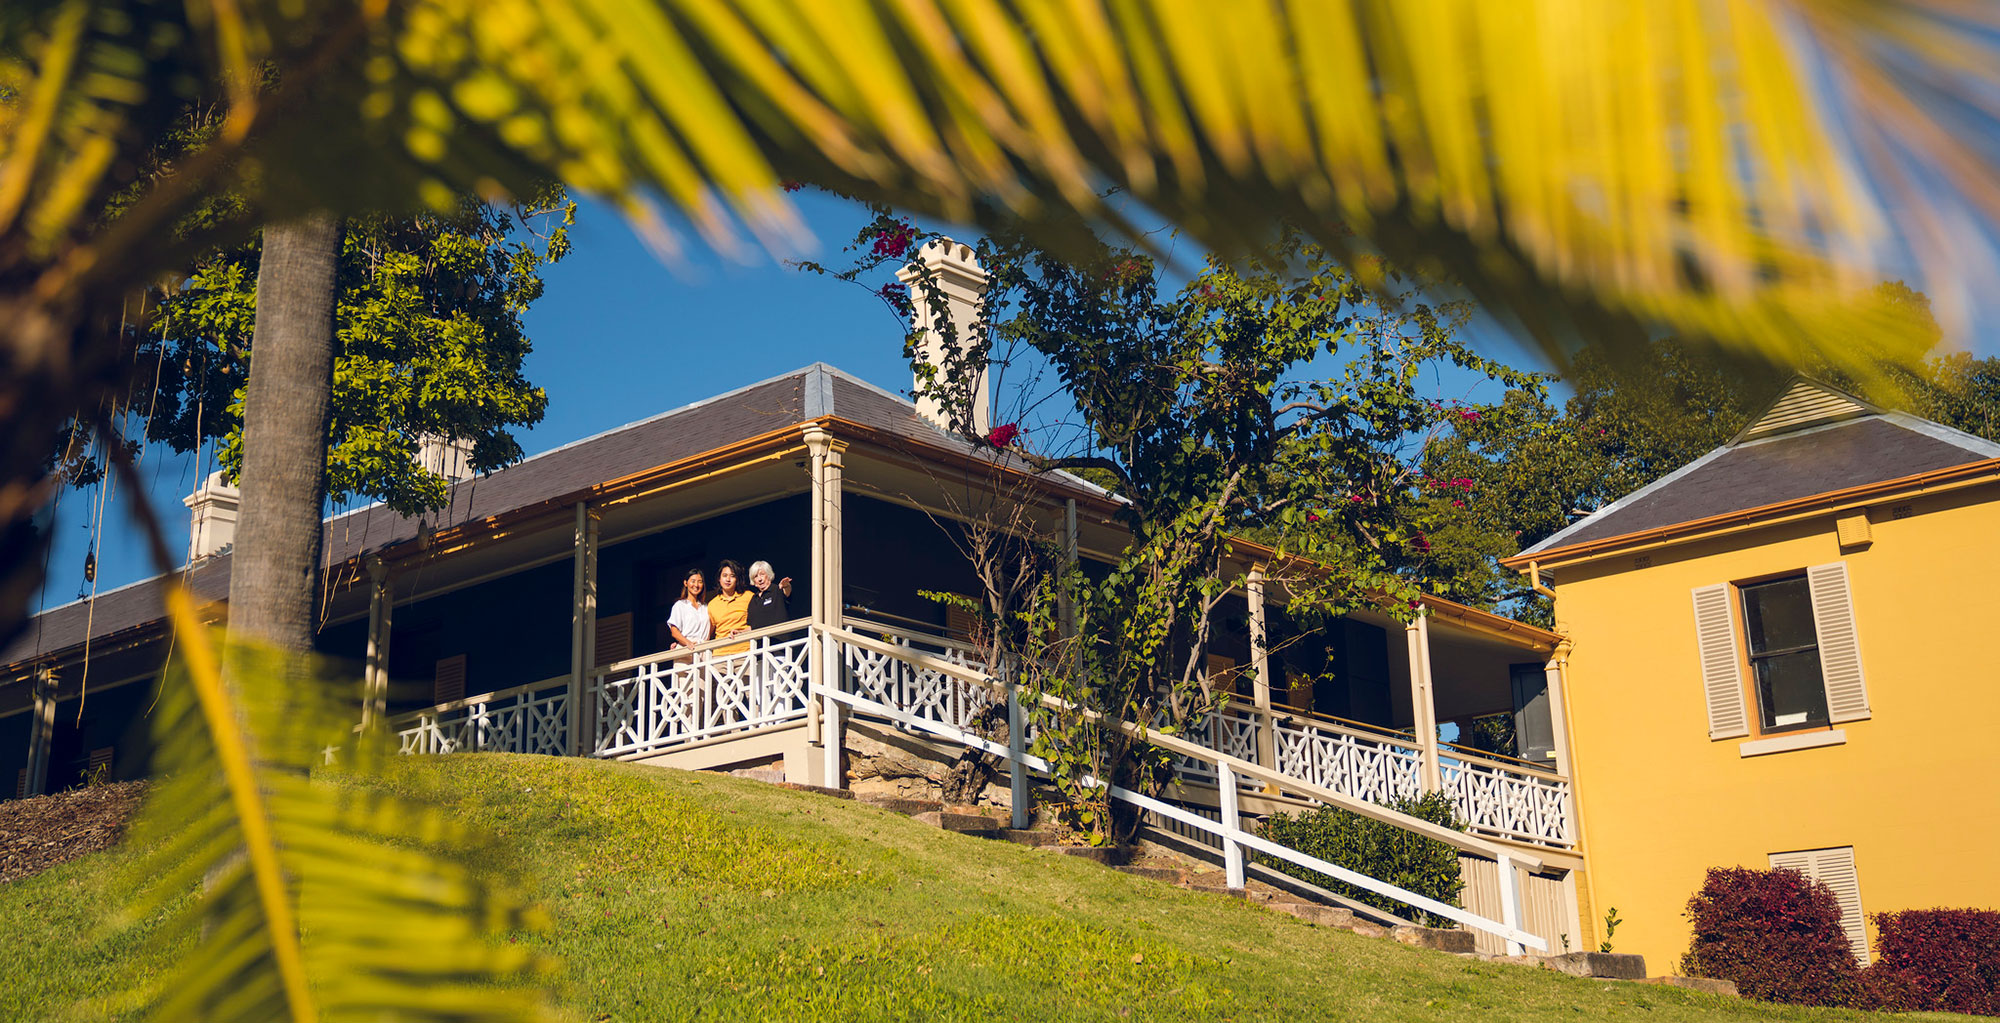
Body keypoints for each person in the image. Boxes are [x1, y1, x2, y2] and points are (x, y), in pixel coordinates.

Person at [709, 560, 754, 655]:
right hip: (720, 654)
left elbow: (760, 620)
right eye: (724, 575)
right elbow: (707, 633)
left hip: (744, 651)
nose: (728, 579)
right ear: (719, 579)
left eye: (732, 576)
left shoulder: (748, 596)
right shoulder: (712, 604)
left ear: (737, 579)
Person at [666, 568, 712, 649]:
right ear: (686, 583)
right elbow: (674, 631)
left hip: (704, 648)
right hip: (686, 648)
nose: (696, 585)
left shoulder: (705, 607)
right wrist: (687, 642)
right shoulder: (680, 605)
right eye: (693, 581)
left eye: (700, 582)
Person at [746, 560, 794, 630]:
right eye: (756, 576)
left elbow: (786, 592)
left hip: (778, 638)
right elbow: (752, 626)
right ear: (754, 581)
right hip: (760, 640)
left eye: (762, 574)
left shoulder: (777, 590)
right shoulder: (753, 599)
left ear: (768, 575)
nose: (759, 579)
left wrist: (786, 585)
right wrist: (740, 632)